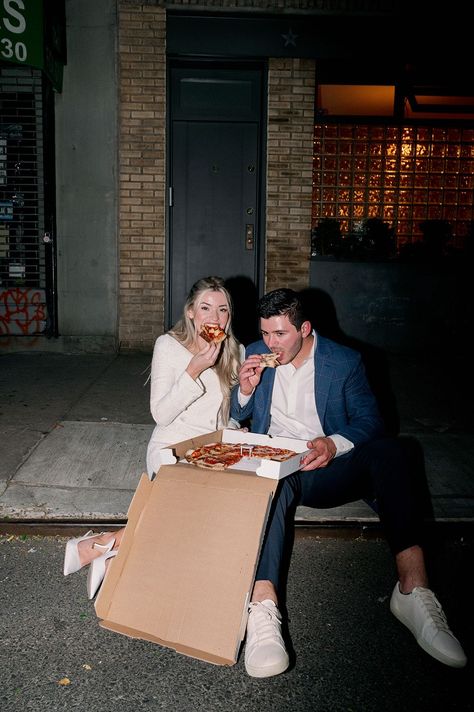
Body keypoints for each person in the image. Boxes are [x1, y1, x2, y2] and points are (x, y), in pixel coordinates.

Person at [230, 287, 467, 678]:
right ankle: (263, 608)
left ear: (304, 328)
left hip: (330, 467)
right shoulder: (254, 352)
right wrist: (246, 389)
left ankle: (413, 591)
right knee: (272, 481)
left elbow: (371, 421)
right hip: (279, 468)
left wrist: (331, 444)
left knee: (395, 452)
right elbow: (235, 414)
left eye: (280, 334)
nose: (270, 343)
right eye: (265, 333)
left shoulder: (344, 361)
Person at [63, 276, 243, 598]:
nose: (214, 318)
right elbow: (160, 414)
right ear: (190, 312)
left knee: (199, 519)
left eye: (223, 310)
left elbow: (226, 412)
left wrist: (247, 393)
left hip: (212, 451)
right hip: (171, 446)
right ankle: (106, 549)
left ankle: (105, 545)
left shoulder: (234, 350)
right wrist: (194, 368)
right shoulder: (168, 346)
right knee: (186, 511)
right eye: (205, 308)